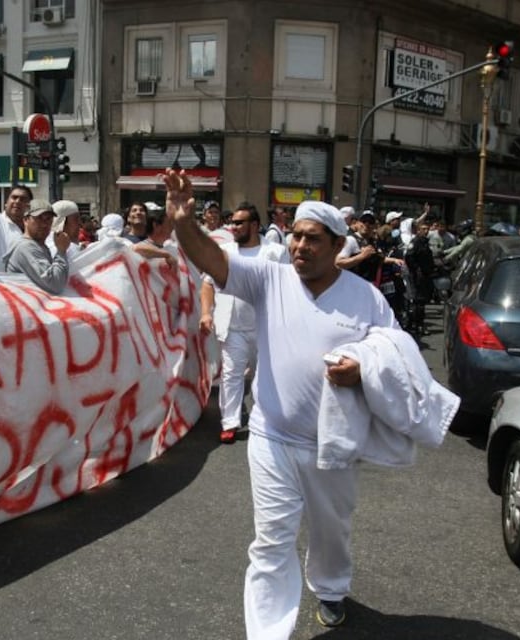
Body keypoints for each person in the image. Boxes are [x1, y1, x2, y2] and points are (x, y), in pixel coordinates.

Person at [162, 170, 399, 637]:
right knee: (271, 541)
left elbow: (395, 352)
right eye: (295, 237)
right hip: (271, 437)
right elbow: (212, 259)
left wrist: (362, 368)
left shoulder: (366, 298)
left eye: (312, 239)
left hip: (335, 444)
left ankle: (330, 589)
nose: (300, 247)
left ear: (337, 246)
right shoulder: (268, 279)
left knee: (331, 532)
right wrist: (183, 221)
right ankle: (268, 630)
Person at [199, 202, 287, 444]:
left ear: (255, 225)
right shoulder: (224, 251)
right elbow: (207, 284)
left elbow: (287, 287)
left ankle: (267, 420)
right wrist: (206, 313)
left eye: (239, 223)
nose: (233, 226)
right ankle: (230, 423)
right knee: (231, 375)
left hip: (265, 327)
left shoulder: (276, 252)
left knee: (266, 375)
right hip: (231, 326)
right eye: (232, 222)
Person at [3, 199, 69, 294]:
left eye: (48, 219)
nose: (44, 224)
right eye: (39, 218)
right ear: (26, 220)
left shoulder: (37, 245)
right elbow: (55, 284)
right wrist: (61, 251)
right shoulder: (26, 247)